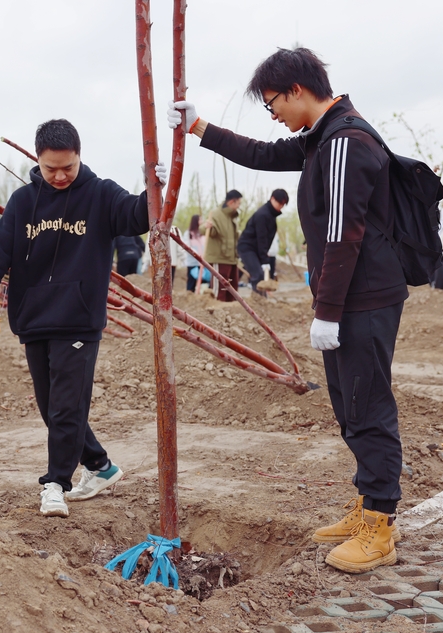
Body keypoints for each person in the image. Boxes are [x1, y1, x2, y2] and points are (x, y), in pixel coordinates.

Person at [170, 47, 406, 573]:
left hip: (362, 299)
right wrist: (199, 127)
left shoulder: (347, 141)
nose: (272, 112)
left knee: (367, 407)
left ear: (297, 90)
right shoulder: (323, 138)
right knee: (350, 408)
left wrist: (327, 309)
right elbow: (264, 153)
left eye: (272, 101)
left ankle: (380, 527)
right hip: (348, 298)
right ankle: (370, 505)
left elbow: (344, 233)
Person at [0, 119, 165, 518]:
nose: (59, 176)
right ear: (38, 160)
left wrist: (155, 185)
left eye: (67, 168)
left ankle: (55, 483)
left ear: (79, 158)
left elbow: (136, 216)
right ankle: (101, 467)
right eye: (50, 168)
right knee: (51, 406)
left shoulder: (101, 194)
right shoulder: (23, 202)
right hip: (34, 317)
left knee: (66, 408)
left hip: (78, 319)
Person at [237, 189, 288, 295]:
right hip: (247, 248)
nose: (281, 206)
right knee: (259, 275)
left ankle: (261, 301)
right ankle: (260, 303)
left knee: (257, 273)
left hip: (255, 249)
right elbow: (262, 238)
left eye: (283, 204)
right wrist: (264, 260)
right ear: (272, 199)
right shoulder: (263, 215)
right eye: (280, 203)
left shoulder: (270, 215)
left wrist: (264, 257)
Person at [203, 190, 242, 301]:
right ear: (231, 202)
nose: (239, 206)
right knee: (219, 290)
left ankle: (230, 312)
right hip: (219, 258)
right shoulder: (216, 214)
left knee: (232, 290)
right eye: (238, 203)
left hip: (231, 258)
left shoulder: (233, 217)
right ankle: (215, 313)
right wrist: (207, 227)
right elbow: (205, 229)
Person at [183, 214, 208, 293]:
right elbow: (187, 246)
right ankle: (189, 295)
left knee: (204, 280)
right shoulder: (188, 233)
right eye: (200, 220)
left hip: (203, 261)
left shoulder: (204, 233)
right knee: (191, 281)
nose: (202, 221)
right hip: (193, 262)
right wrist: (197, 254)